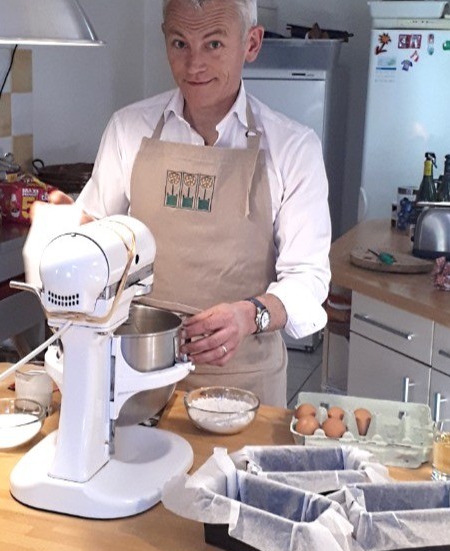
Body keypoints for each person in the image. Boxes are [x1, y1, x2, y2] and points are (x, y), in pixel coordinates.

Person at [44, 0, 331, 407]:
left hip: (243, 387)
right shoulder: (130, 129)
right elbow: (96, 239)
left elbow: (309, 278)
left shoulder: (293, 147)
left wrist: (250, 315)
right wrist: (76, 237)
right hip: (136, 378)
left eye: (213, 44)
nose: (193, 64)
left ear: (251, 43)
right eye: (180, 43)